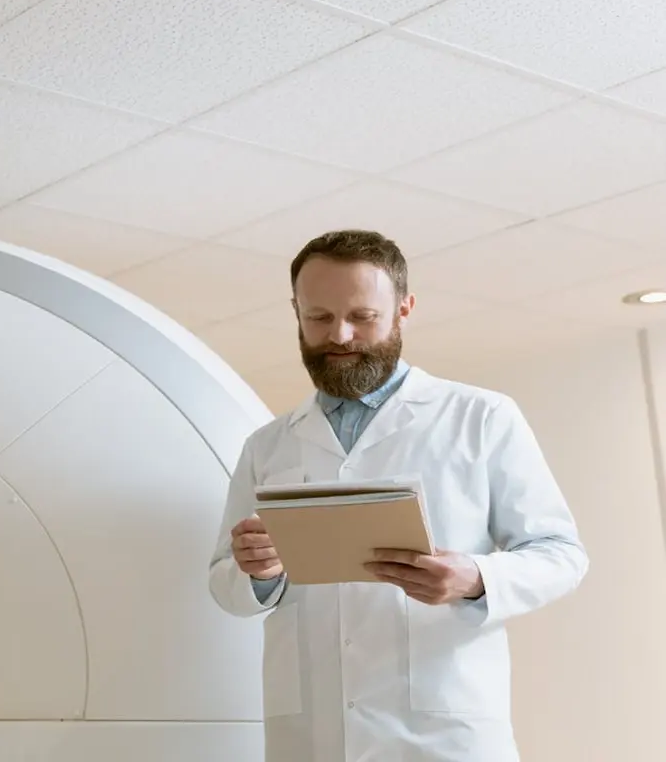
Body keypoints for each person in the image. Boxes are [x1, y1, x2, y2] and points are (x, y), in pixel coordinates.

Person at [207, 229, 588, 762]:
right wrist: (258, 573)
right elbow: (225, 581)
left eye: (362, 316)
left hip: (442, 733)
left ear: (404, 309)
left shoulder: (481, 418)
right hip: (313, 736)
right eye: (318, 317)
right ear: (295, 311)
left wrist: (476, 579)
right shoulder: (267, 444)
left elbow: (562, 554)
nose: (339, 335)